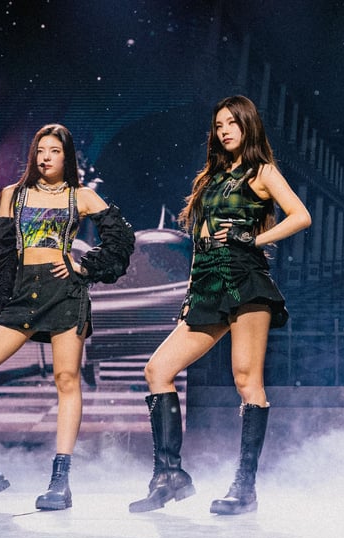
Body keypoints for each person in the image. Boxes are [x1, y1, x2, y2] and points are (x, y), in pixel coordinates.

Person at [129, 95, 311, 515]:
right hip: (208, 284)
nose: (225, 130)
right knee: (157, 370)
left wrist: (254, 239)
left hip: (246, 280)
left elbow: (300, 215)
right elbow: (201, 239)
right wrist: (191, 293)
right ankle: (170, 476)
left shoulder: (262, 171)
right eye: (219, 124)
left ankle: (244, 488)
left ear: (248, 125)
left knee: (247, 379)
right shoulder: (210, 177)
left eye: (232, 122)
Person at [0, 123, 135, 511]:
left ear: (67, 157)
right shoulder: (12, 195)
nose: (45, 157)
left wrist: (84, 266)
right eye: (40, 150)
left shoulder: (80, 196)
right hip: (21, 294)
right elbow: (0, 255)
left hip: (64, 293)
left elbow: (120, 239)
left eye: (54, 151)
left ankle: (60, 481)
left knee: (66, 380)